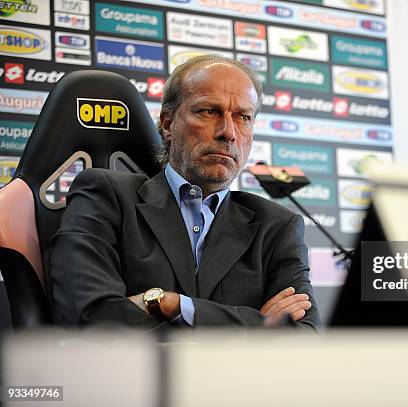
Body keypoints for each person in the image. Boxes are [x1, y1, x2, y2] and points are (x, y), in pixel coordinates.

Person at [51, 55, 321, 330]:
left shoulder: (277, 226)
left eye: (243, 117)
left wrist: (171, 304)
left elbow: (304, 335)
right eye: (209, 111)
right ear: (168, 124)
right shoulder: (106, 196)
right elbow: (89, 318)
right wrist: (257, 325)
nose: (228, 132)